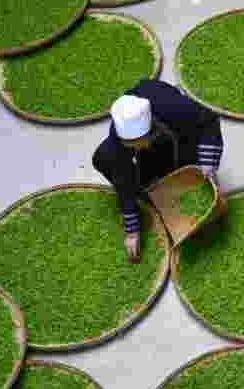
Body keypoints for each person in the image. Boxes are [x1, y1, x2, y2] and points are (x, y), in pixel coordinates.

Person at [93, 79, 224, 263]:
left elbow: (209, 120)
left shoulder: (172, 108)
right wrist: (132, 231)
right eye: (131, 145)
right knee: (104, 158)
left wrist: (208, 164)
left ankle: (179, 164)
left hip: (177, 131)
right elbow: (122, 178)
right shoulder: (119, 132)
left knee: (188, 163)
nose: (135, 148)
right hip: (152, 140)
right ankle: (151, 185)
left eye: (138, 143)